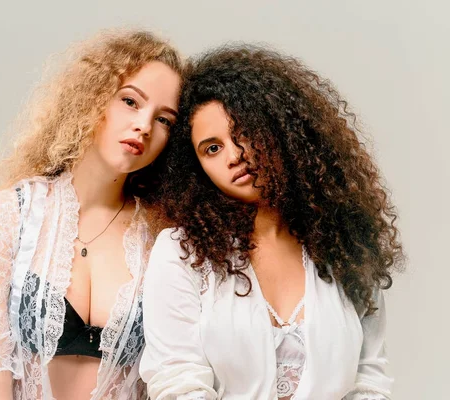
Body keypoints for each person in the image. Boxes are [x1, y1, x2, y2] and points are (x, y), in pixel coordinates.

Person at [140, 44, 404, 399]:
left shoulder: (345, 244)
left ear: (280, 128)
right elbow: (176, 381)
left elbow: (370, 377)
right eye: (212, 148)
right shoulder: (182, 252)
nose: (234, 156)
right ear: (196, 168)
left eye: (244, 132)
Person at [0, 29, 183, 400]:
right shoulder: (6, 217)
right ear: (92, 96)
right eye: (131, 101)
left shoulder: (161, 239)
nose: (145, 126)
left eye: (165, 119)